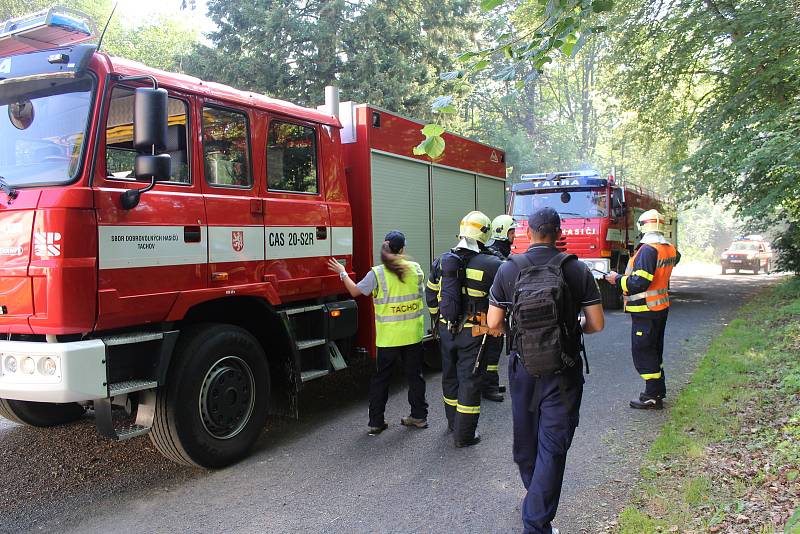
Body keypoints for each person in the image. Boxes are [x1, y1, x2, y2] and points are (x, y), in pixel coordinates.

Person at [487, 207, 604, 534]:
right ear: (557, 232)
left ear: (527, 231)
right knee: (553, 446)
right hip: (563, 371)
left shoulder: (508, 269)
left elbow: (494, 323)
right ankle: (536, 521)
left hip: (523, 369)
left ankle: (535, 508)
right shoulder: (576, 269)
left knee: (526, 444)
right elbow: (595, 323)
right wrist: (571, 324)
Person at [327, 230, 428, 435]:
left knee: (381, 379)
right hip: (412, 335)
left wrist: (342, 272)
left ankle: (376, 422)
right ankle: (418, 417)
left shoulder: (377, 273)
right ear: (402, 249)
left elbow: (355, 291)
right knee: (415, 377)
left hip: (389, 338)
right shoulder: (416, 269)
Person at [425, 211, 503, 447]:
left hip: (446, 329)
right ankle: (465, 435)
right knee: (469, 380)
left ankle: (453, 424)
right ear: (485, 233)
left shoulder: (441, 261)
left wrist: (438, 322)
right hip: (476, 330)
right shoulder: (493, 264)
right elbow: (502, 300)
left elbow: (430, 295)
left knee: (449, 377)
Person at [605, 209, 680, 409]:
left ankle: (652, 396)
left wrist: (617, 279)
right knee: (654, 350)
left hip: (645, 310)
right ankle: (658, 390)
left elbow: (639, 283)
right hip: (659, 308)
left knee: (644, 351)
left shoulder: (647, 250)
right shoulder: (669, 248)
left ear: (642, 226)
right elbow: (671, 263)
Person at [481, 214, 517, 402]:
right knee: (491, 348)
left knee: (493, 347)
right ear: (503, 232)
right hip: (490, 309)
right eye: (512, 232)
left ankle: (491, 383)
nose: (514, 235)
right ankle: (488, 387)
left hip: (494, 307)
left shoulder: (498, 251)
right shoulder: (495, 254)